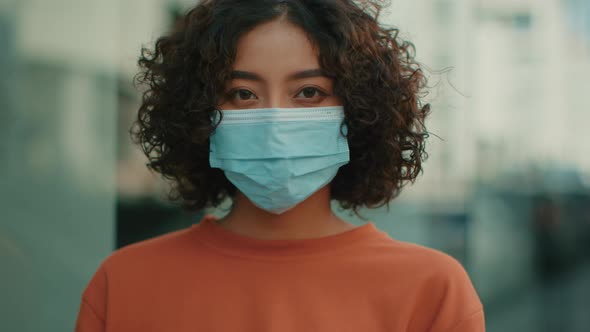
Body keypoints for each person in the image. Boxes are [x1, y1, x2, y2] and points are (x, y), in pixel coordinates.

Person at [75, 0, 485, 331]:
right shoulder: (125, 284)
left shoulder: (431, 290)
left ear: (360, 111)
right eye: (242, 93)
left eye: (308, 92)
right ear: (199, 111)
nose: (274, 120)